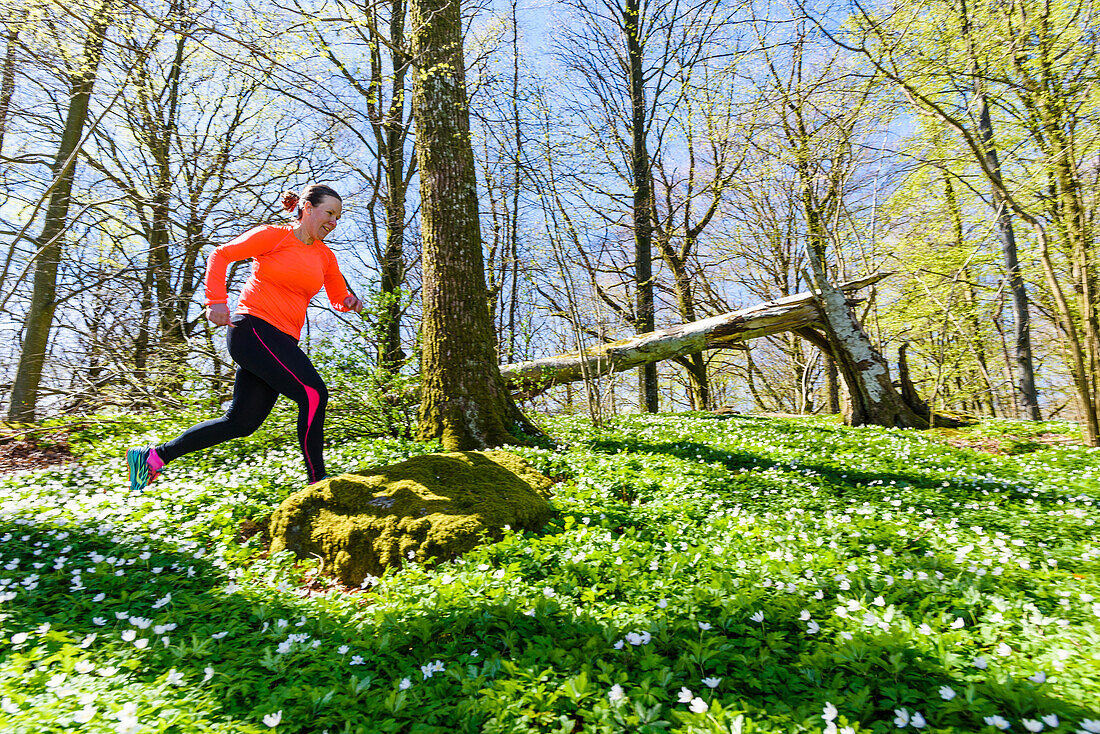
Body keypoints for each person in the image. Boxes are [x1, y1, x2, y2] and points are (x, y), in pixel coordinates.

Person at [126, 184, 364, 491]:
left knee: (242, 422)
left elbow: (337, 294)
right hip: (253, 328)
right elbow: (221, 255)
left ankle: (154, 457)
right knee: (313, 394)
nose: (333, 222)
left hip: (281, 342)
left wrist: (348, 301)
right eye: (329, 213)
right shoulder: (273, 235)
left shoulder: (325, 257)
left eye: (338, 217)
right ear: (307, 208)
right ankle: (318, 482)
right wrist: (215, 300)